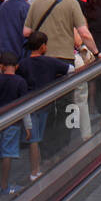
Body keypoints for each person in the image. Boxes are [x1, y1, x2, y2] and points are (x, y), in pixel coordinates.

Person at [18, 31, 73, 181]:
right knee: (42, 135)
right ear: (43, 46)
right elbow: (70, 70)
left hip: (29, 104)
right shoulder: (50, 62)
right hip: (46, 103)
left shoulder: (23, 64)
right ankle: (38, 168)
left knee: (33, 138)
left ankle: (36, 169)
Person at [22, 0, 98, 70]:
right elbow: (84, 34)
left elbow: (26, 32)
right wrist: (96, 52)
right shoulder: (71, 3)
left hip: (42, 57)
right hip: (64, 57)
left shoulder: (36, 3)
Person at [0, 51, 31, 196]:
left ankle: (3, 183)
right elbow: (24, 107)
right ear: (16, 66)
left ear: (1, 66)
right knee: (8, 153)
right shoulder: (20, 82)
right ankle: (4, 185)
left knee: (1, 153)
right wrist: (28, 126)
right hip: (13, 123)